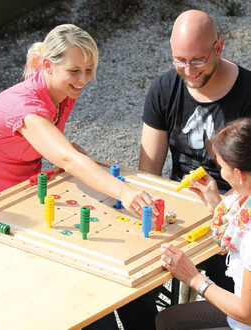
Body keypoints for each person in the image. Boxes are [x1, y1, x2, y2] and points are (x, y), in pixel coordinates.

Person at [0, 24, 157, 221]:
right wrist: (124, 192)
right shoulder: (25, 106)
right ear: (48, 65)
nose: (83, 79)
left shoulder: (62, 93)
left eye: (89, 69)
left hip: (14, 201)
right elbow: (68, 160)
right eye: (74, 71)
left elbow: (55, 150)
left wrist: (59, 147)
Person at [138, 9, 251, 294]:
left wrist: (220, 208)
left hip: (235, 212)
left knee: (230, 291)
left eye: (198, 60)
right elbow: (147, 171)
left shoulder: (248, 92)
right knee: (138, 288)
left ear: (219, 47)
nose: (189, 71)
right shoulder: (164, 88)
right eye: (180, 61)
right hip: (181, 207)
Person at [156, 117, 251, 329]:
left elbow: (246, 313)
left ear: (238, 175)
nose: (221, 173)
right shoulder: (245, 201)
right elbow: (240, 224)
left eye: (221, 165)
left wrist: (194, 278)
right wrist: (217, 205)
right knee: (168, 320)